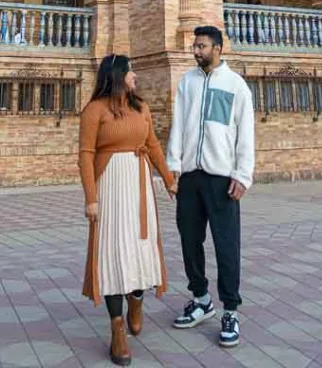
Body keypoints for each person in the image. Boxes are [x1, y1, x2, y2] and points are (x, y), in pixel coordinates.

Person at [79, 54, 177, 366]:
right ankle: (117, 327)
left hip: (139, 186)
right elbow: (85, 155)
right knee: (112, 253)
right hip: (109, 188)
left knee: (139, 248)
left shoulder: (141, 108)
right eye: (131, 70)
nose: (136, 75)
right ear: (118, 75)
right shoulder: (95, 110)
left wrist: (169, 180)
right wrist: (91, 198)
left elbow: (153, 146)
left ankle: (136, 299)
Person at [166, 25, 255, 349]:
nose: (195, 51)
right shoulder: (187, 82)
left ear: (217, 48)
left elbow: (245, 133)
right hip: (190, 176)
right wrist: (172, 166)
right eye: (194, 45)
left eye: (201, 46)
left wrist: (243, 175)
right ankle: (201, 299)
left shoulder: (236, 86)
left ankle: (230, 310)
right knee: (190, 240)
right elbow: (178, 124)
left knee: (226, 246)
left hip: (222, 179)